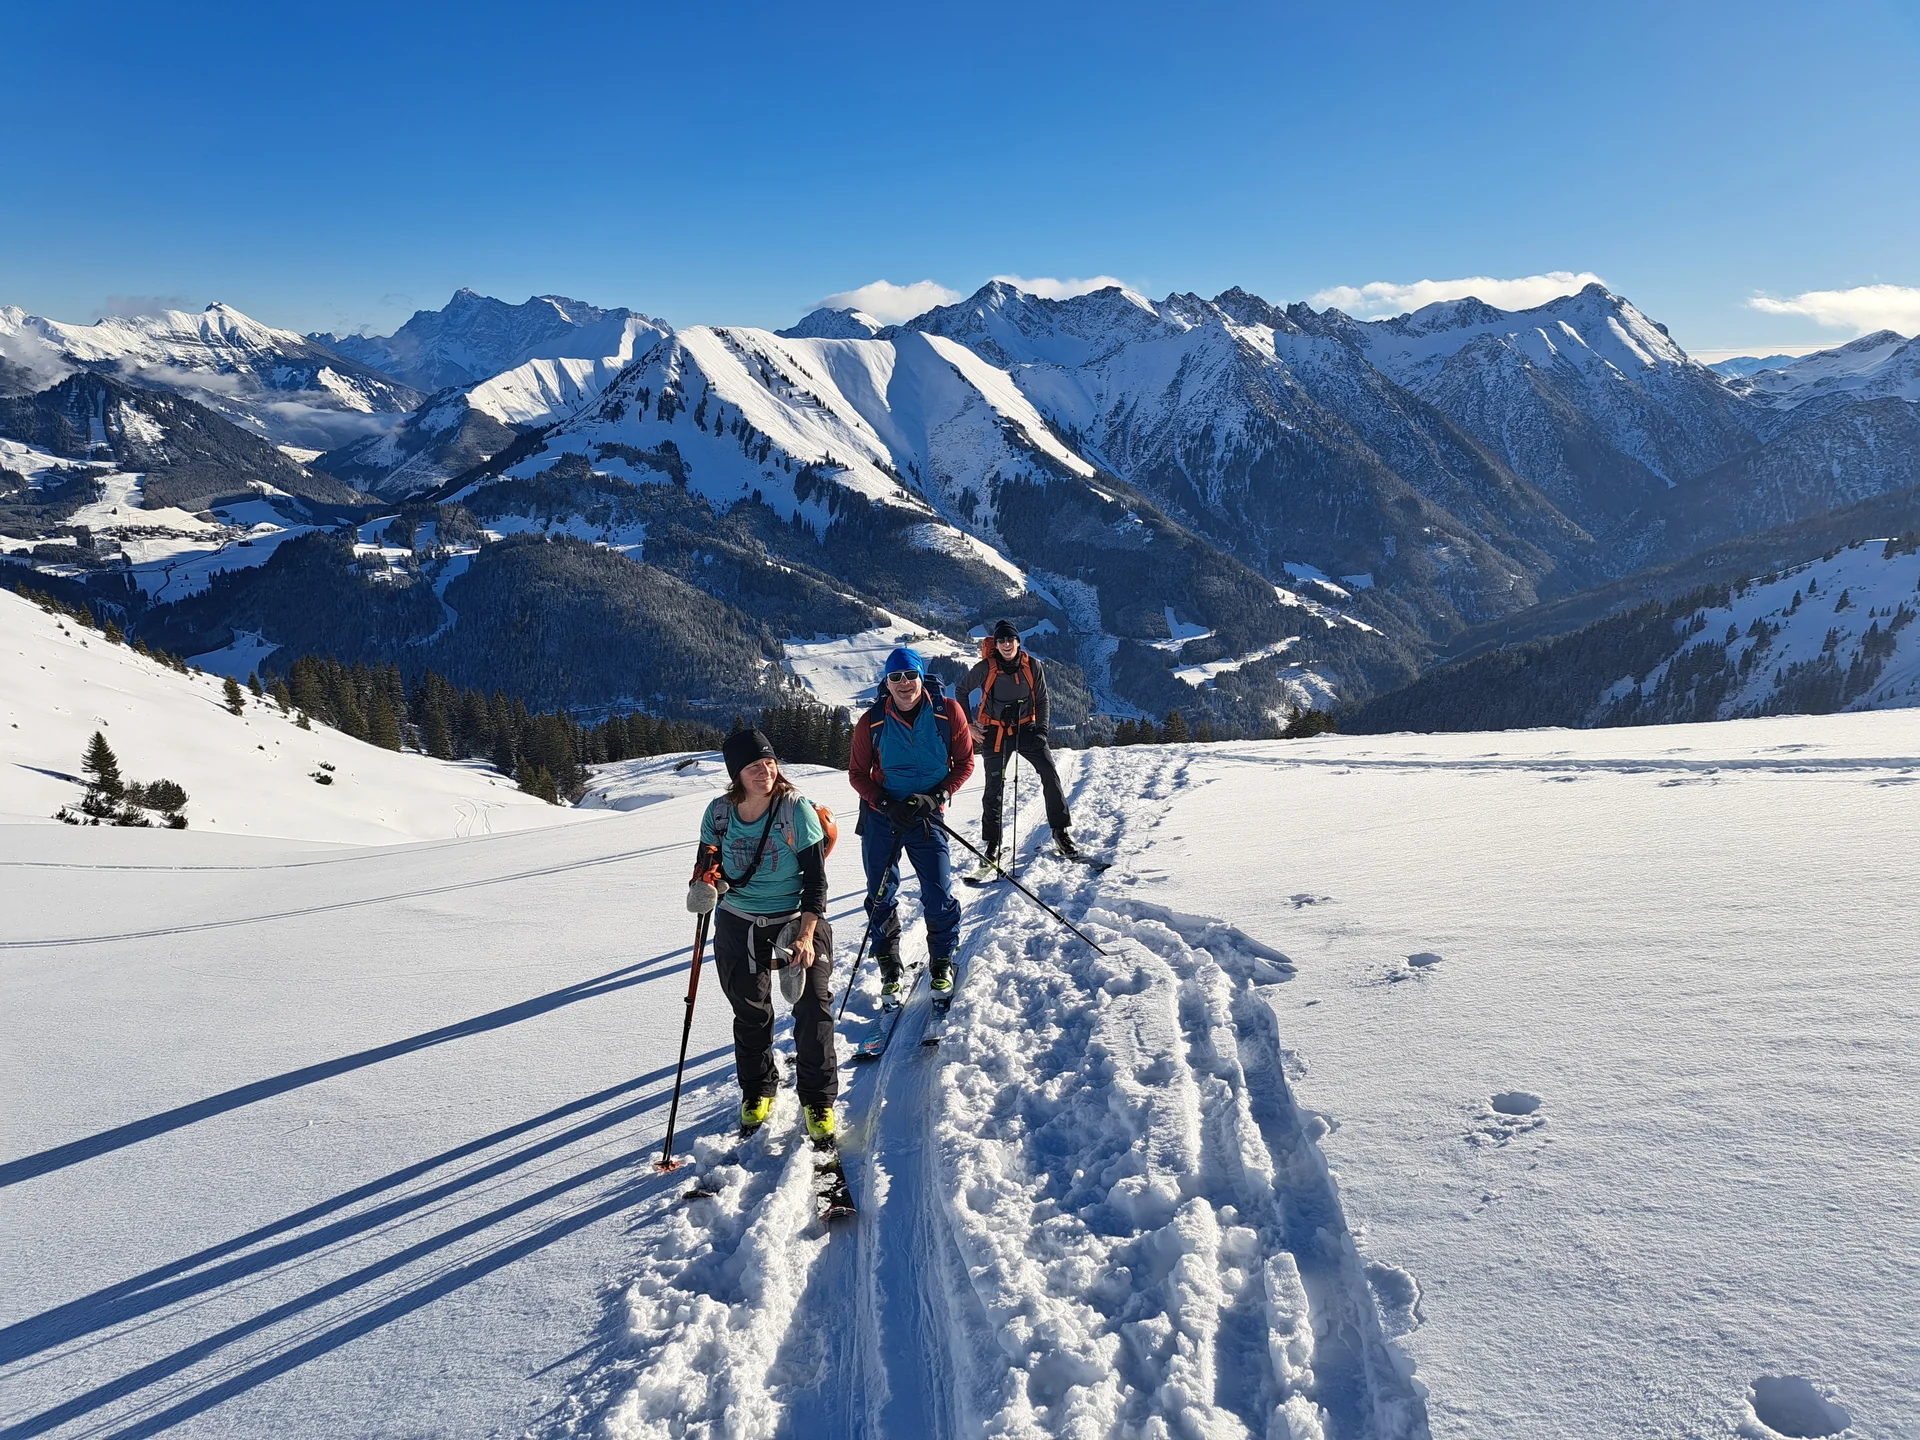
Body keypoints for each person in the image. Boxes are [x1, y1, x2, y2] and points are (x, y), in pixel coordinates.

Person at [686, 728, 838, 1142]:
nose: (765, 772)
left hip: (794, 917)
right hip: (738, 919)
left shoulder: (795, 810)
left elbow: (816, 882)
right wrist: (702, 886)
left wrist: (807, 936)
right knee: (749, 1009)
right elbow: (706, 864)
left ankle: (819, 1099)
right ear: (736, 773)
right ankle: (757, 1089)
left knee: (813, 1007)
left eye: (770, 763)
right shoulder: (718, 814)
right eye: (754, 766)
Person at [847, 646, 974, 1004]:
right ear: (886, 683)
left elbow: (964, 762)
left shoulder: (947, 713)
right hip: (882, 816)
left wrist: (936, 797)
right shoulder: (871, 722)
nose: (904, 683)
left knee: (937, 890)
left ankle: (943, 959)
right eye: (896, 677)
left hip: (927, 815)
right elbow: (857, 774)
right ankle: (889, 965)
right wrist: (885, 803)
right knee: (880, 892)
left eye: (910, 675)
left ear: (922, 677)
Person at [963, 619, 1077, 879]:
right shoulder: (986, 667)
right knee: (994, 788)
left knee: (1050, 773)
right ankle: (992, 844)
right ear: (996, 644)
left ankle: (1060, 832)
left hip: (1027, 729)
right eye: (1001, 640)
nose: (1005, 644)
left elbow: (1043, 699)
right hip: (995, 731)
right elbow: (960, 690)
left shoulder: (1032, 666)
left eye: (1010, 640)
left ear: (1018, 642)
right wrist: (968, 725)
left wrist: (1042, 730)